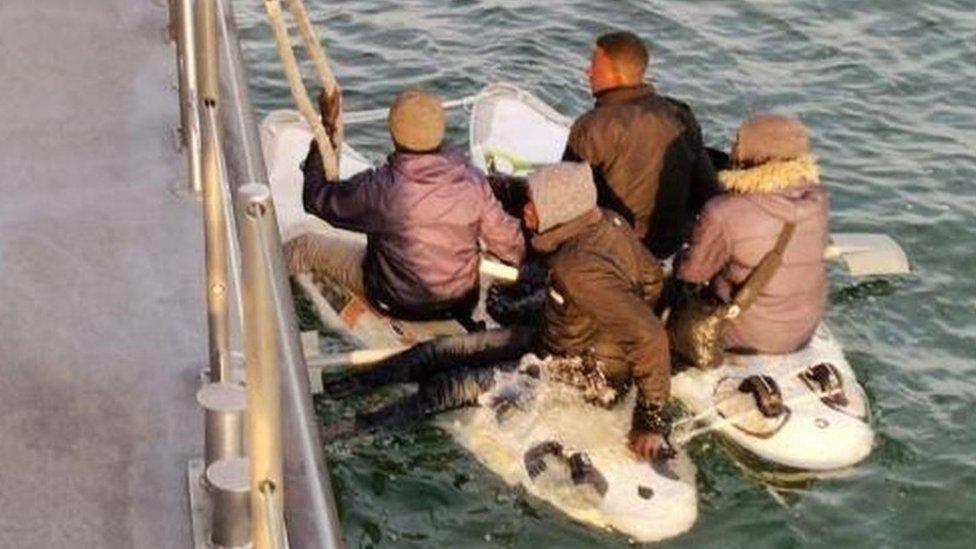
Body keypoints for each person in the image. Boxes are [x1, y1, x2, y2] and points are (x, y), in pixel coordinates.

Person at [324, 163, 674, 461]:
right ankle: (346, 387)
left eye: (532, 205)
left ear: (559, 210)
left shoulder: (577, 268)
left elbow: (651, 337)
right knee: (438, 351)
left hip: (580, 372)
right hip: (553, 339)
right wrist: (585, 320)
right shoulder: (608, 222)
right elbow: (652, 279)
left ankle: (351, 429)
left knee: (450, 387)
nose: (524, 211)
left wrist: (649, 423)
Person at [287, 89, 525, 321]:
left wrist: (326, 130)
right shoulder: (474, 181)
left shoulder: (380, 188)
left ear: (392, 132)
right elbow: (510, 243)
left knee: (305, 245)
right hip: (460, 302)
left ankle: (255, 294)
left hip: (396, 302)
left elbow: (316, 199)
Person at [676, 114, 829, 353]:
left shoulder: (723, 210)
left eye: (739, 141)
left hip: (744, 335)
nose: (733, 147)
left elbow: (692, 274)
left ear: (757, 154)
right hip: (803, 330)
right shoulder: (818, 199)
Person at [563, 30, 718, 259]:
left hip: (615, 249)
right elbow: (707, 189)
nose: (587, 72)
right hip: (668, 246)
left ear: (614, 76)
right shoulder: (680, 114)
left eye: (593, 66)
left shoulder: (593, 127)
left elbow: (566, 199)